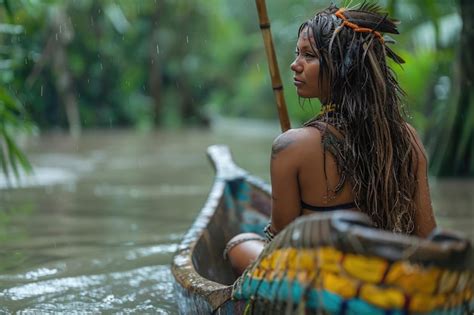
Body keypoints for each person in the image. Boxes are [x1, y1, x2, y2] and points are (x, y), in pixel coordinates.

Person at [224, 3, 437, 275]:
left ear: (342, 69)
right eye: (297, 53)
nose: (294, 64)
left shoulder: (291, 147)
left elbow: (280, 247)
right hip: (385, 274)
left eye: (309, 56)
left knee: (238, 244)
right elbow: (427, 237)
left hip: (322, 278)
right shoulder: (407, 137)